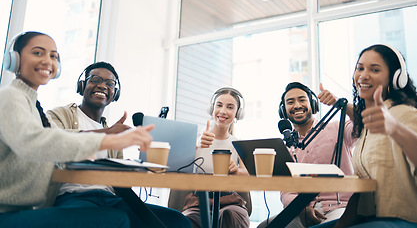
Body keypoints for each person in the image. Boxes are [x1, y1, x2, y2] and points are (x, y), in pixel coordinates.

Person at [0, 31, 156, 227]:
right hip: (5, 213)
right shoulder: (10, 96)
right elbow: (34, 143)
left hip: (21, 211)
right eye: (38, 53)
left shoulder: (31, 104)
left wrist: (113, 138)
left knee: (172, 221)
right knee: (116, 220)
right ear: (14, 60)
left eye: (53, 56)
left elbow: (57, 136)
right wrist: (108, 140)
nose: (48, 61)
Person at [46, 61, 192, 228]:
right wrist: (108, 134)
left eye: (110, 84)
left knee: (177, 221)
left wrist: (139, 164)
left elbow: (120, 182)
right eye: (95, 79)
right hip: (73, 197)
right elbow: (55, 140)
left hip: (111, 199)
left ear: (115, 93)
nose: (102, 86)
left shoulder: (111, 129)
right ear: (81, 85)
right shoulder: (59, 115)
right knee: (108, 221)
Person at [312, 44, 417, 228]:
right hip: (370, 218)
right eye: (360, 68)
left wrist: (396, 129)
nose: (363, 75)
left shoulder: (404, 114)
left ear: (395, 79)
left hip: (405, 219)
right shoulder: (370, 125)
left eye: (375, 69)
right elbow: (363, 190)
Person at [259, 82, 356, 228]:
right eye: (290, 102)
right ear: (283, 110)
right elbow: (287, 191)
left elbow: (365, 123)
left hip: (340, 207)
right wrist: (302, 210)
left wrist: (341, 104)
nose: (297, 105)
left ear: (313, 104)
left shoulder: (337, 127)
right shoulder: (286, 149)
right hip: (303, 211)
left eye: (302, 100)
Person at [182, 87, 250, 228]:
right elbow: (177, 165)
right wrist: (195, 146)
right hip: (198, 202)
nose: (223, 111)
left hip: (230, 201)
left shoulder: (239, 145)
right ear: (211, 109)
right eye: (219, 105)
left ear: (238, 113)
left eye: (230, 107)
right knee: (190, 221)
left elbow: (247, 175)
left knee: (229, 217)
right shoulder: (196, 140)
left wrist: (236, 171)